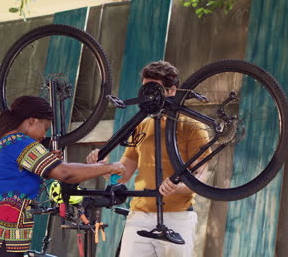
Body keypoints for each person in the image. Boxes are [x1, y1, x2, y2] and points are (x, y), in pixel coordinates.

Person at [0, 95, 126, 257]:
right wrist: (108, 167)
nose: (44, 135)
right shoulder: (20, 142)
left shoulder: (11, 141)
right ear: (32, 121)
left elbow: (21, 179)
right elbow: (66, 173)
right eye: (45, 128)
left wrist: (49, 164)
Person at [87, 61, 210, 257]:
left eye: (154, 90)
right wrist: (103, 166)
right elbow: (122, 175)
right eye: (146, 89)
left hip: (177, 216)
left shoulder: (193, 126)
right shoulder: (141, 126)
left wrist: (178, 187)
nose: (149, 96)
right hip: (139, 215)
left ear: (171, 91)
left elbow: (201, 176)